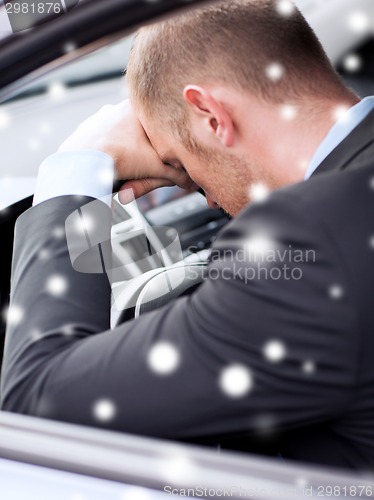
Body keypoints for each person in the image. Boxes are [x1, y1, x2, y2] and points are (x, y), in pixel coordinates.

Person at [2, 0, 374, 470]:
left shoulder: (311, 248)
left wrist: (79, 166)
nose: (210, 202)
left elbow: (37, 401)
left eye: (182, 167)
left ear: (211, 114)